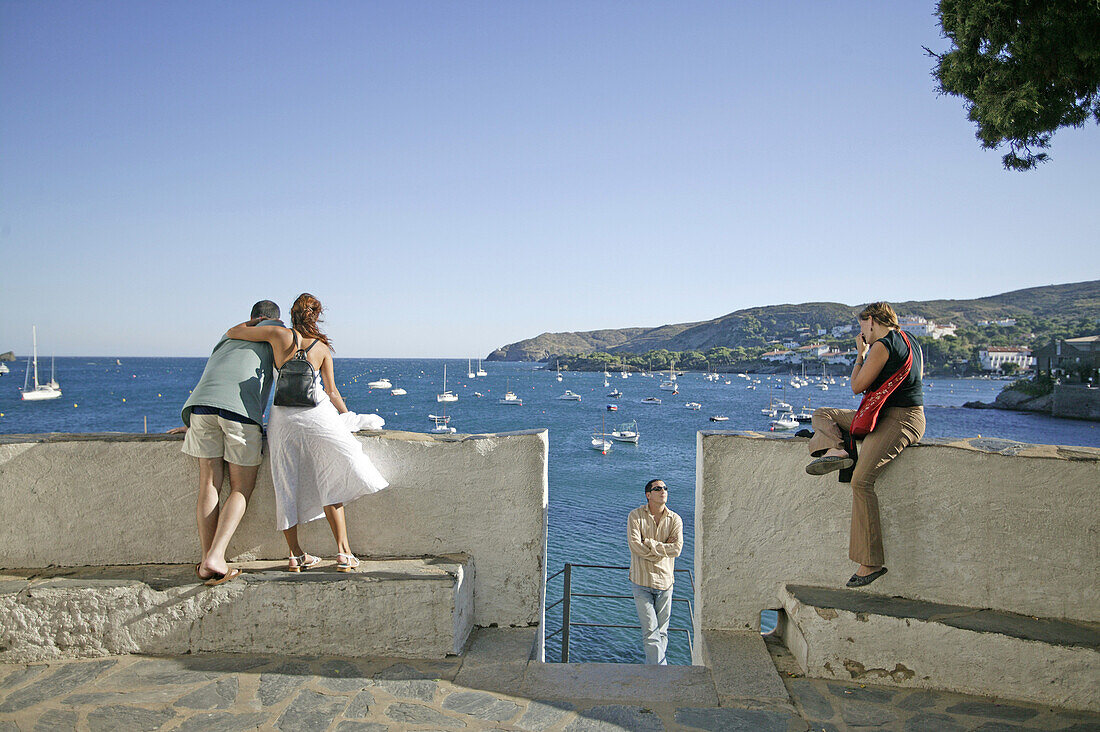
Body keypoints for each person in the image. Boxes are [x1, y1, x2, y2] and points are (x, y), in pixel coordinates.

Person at [226, 293, 387, 572]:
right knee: (332, 477)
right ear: (317, 315)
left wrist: (258, 321)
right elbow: (332, 392)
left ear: (291, 314)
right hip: (318, 417)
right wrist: (347, 415)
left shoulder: (278, 335)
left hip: (283, 420)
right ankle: (344, 553)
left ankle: (295, 555)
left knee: (285, 483)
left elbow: (233, 332)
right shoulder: (322, 348)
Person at [805, 302, 925, 588]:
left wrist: (860, 355)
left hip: (900, 419)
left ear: (872, 321)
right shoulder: (911, 341)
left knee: (861, 481)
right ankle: (838, 450)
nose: (862, 333)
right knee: (823, 414)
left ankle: (870, 562)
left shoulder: (883, 345)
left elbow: (857, 386)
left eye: (862, 327)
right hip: (886, 415)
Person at [175, 300, 283, 586]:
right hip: (239, 411)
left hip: (200, 406)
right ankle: (217, 556)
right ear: (275, 319)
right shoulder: (277, 334)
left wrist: (191, 423)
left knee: (209, 483)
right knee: (240, 489)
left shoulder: (230, 335)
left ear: (252, 317)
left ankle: (206, 560)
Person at [626, 478, 683, 665]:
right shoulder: (635, 516)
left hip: (665, 582)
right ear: (648, 495)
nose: (663, 491)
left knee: (662, 632)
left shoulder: (675, 519)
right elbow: (635, 546)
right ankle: (661, 673)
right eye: (658, 488)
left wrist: (649, 544)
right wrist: (661, 551)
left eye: (665, 488)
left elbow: (677, 549)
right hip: (641, 582)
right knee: (651, 631)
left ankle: (655, 671)